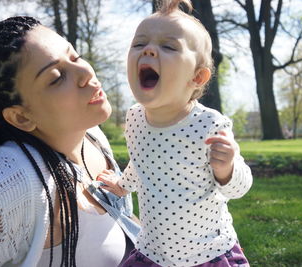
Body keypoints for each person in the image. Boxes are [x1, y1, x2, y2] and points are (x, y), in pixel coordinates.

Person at [0, 16, 140, 267]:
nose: (85, 73)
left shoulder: (91, 134)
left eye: (75, 56)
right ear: (21, 116)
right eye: (57, 77)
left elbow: (122, 222)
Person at [96, 0, 253, 266]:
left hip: (208, 253)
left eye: (168, 46)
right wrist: (122, 186)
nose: (148, 51)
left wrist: (226, 168)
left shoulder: (208, 125)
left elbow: (240, 188)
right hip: (153, 252)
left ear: (197, 78)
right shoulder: (135, 118)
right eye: (138, 44)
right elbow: (142, 161)